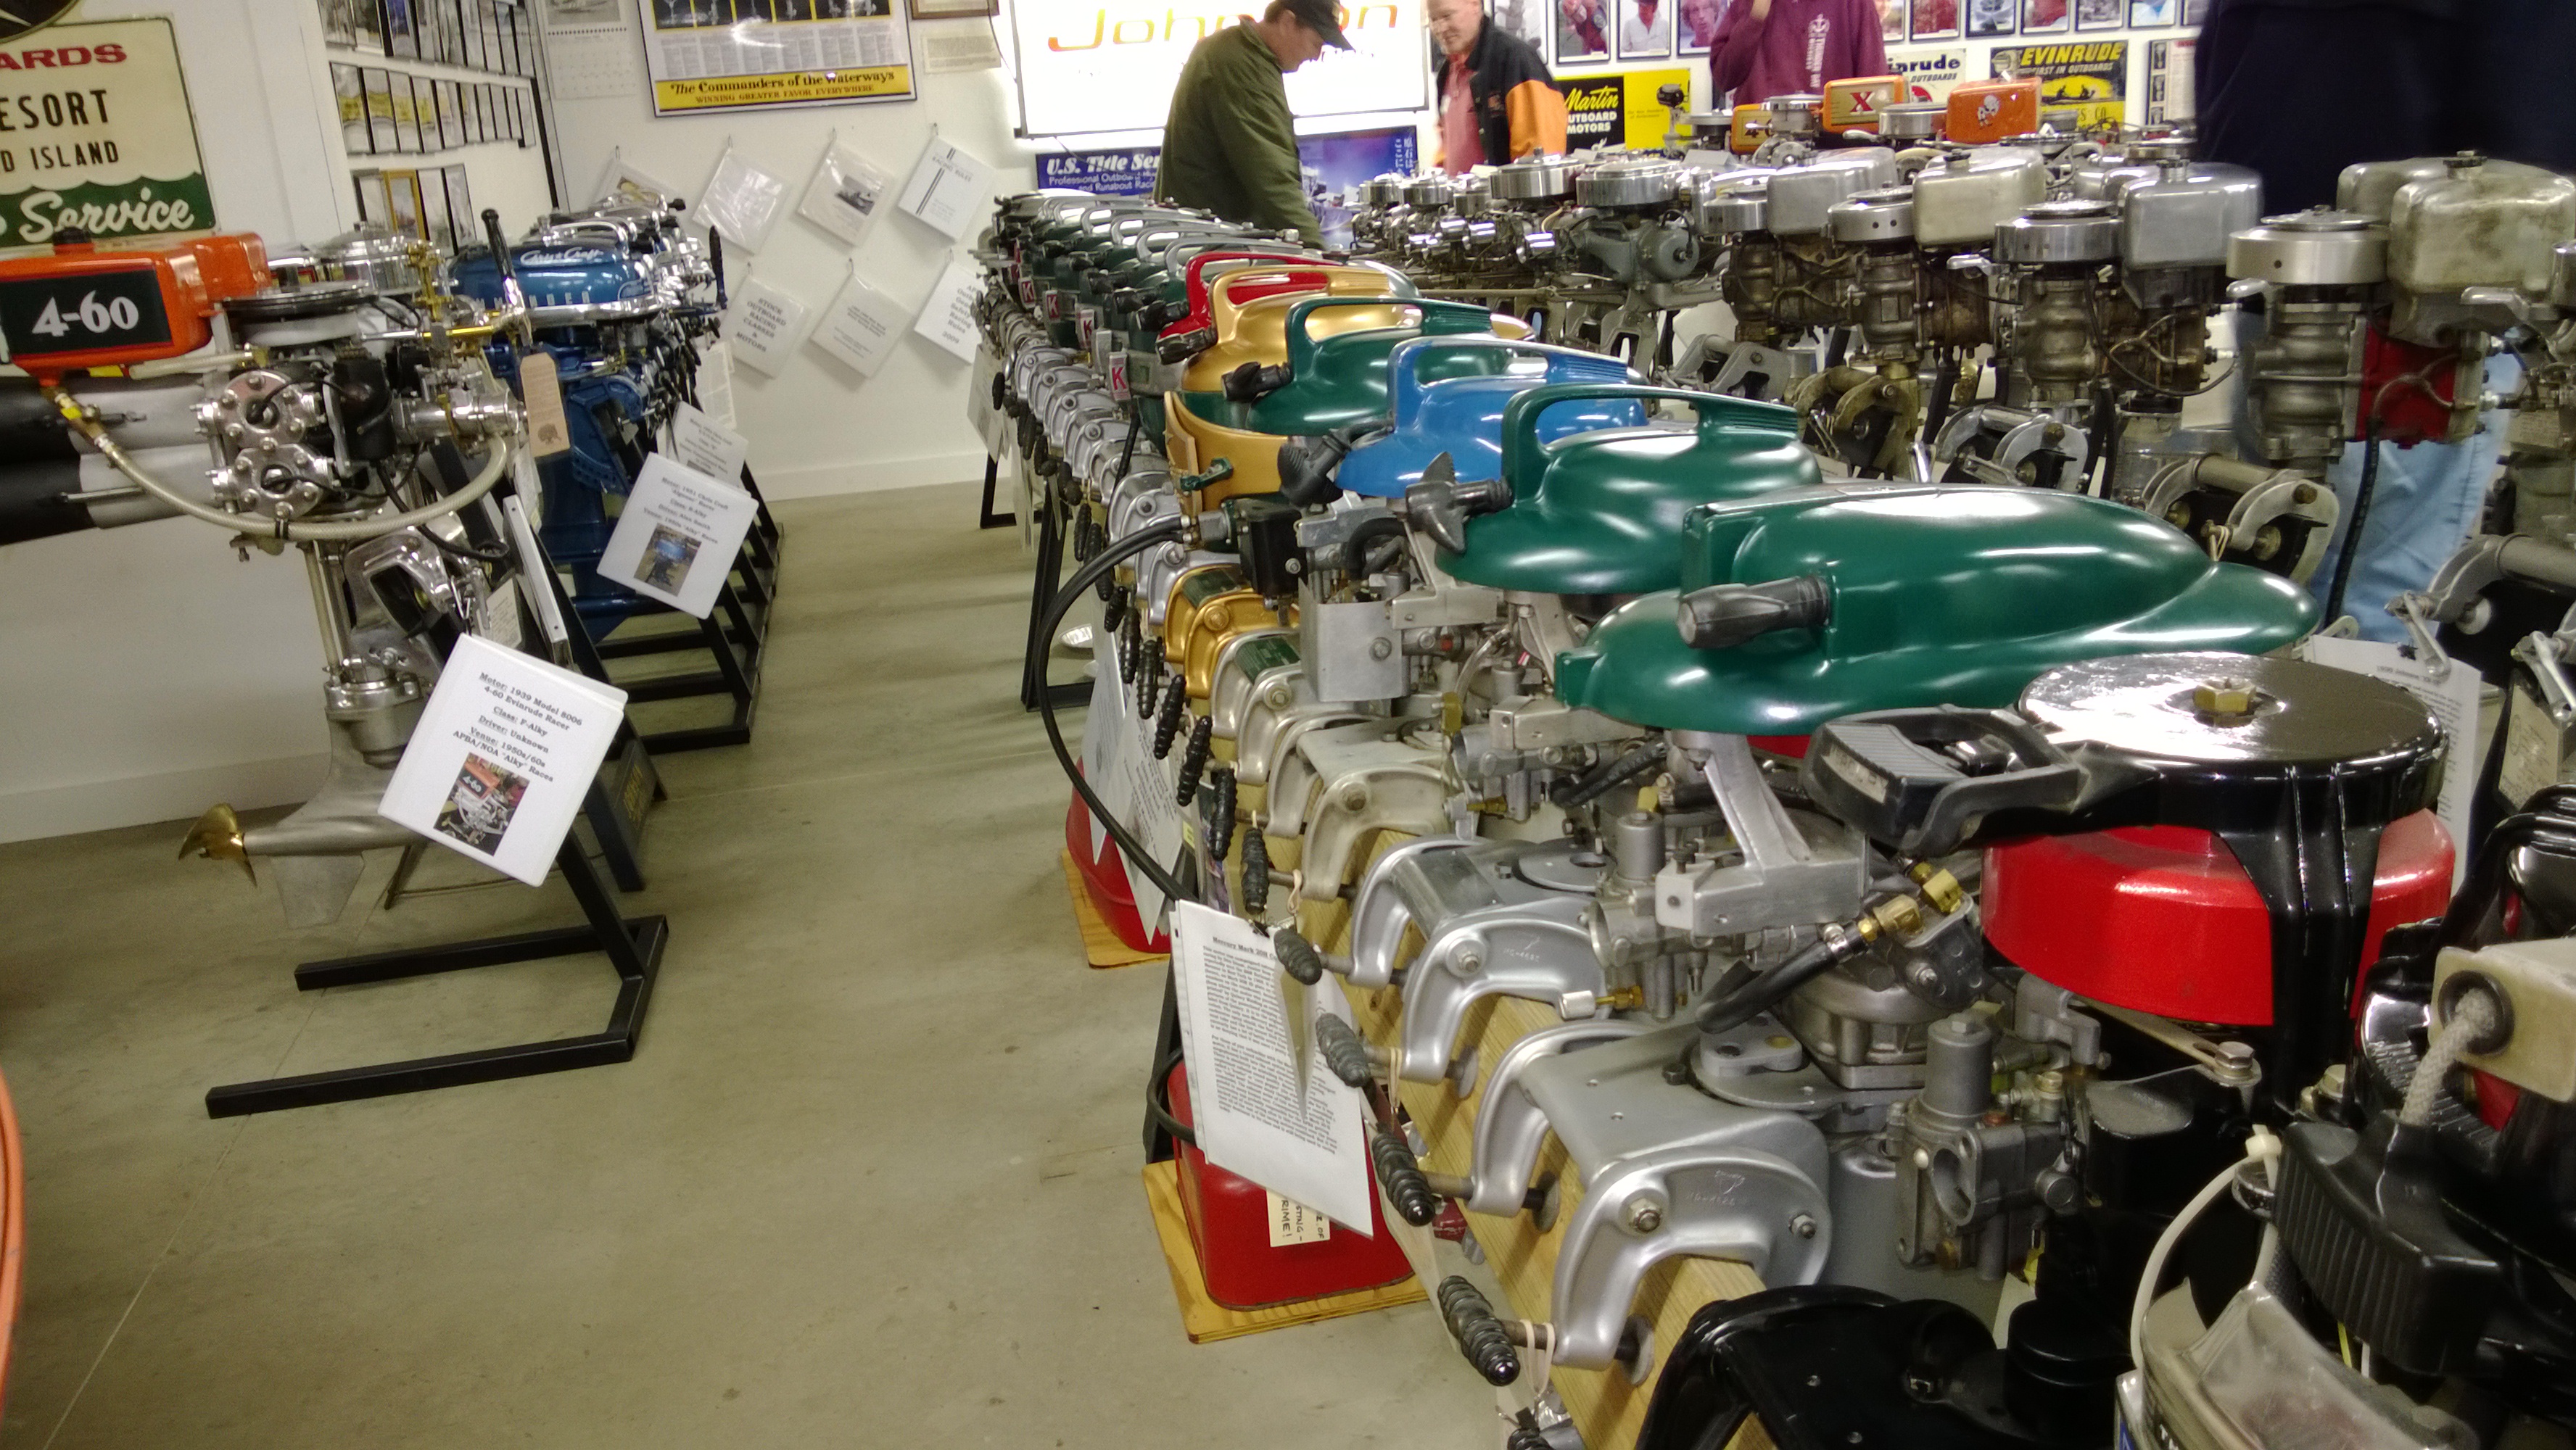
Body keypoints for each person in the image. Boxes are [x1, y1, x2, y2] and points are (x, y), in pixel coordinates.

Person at [1152, 0, 1349, 246]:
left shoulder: (1241, 52)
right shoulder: (1240, 65)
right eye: (1316, 43)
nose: (1316, 56)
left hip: (1202, 235)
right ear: (1287, 22)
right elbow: (1273, 178)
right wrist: (1318, 251)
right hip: (1207, 243)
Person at [1427, 0, 1567, 174]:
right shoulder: (1447, 72)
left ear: (1475, 5)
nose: (1440, 28)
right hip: (1461, 192)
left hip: (1502, 192)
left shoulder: (1515, 60)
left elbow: (1539, 160)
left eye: (1447, 16)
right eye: (1433, 19)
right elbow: (1447, 149)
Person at [1704, 0, 1888, 109]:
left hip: (1830, 147)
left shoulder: (1853, 4)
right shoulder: (1748, 4)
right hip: (1759, 144)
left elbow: (1874, 86)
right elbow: (1723, 78)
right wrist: (1755, 18)